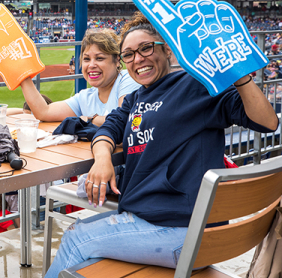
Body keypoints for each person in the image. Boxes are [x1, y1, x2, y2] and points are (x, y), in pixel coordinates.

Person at [44, 12, 279, 277]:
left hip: (183, 231)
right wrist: (102, 158)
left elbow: (267, 122)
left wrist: (240, 76)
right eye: (129, 54)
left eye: (146, 48)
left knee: (76, 239)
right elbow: (109, 129)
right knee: (81, 245)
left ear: (167, 50)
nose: (138, 59)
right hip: (157, 223)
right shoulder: (133, 99)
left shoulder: (196, 85)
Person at [20, 28, 141, 125]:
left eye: (99, 58)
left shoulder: (128, 79)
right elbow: (44, 112)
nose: (91, 65)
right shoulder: (85, 97)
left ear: (116, 60)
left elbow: (123, 120)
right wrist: (22, 74)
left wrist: (89, 119)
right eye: (86, 59)